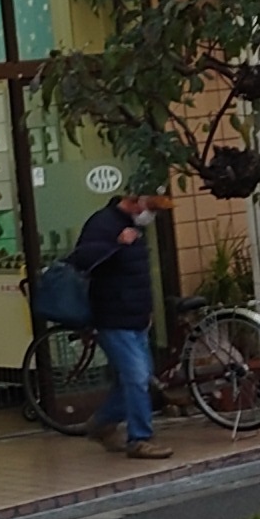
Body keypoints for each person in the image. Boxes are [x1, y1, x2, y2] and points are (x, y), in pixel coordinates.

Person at [70, 190, 162, 455]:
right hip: (112, 315)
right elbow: (82, 258)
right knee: (137, 377)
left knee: (135, 378)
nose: (150, 216)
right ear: (134, 201)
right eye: (149, 208)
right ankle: (140, 439)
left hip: (136, 316)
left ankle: (102, 422)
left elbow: (138, 275)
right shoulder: (103, 223)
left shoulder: (134, 225)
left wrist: (147, 310)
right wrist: (115, 243)